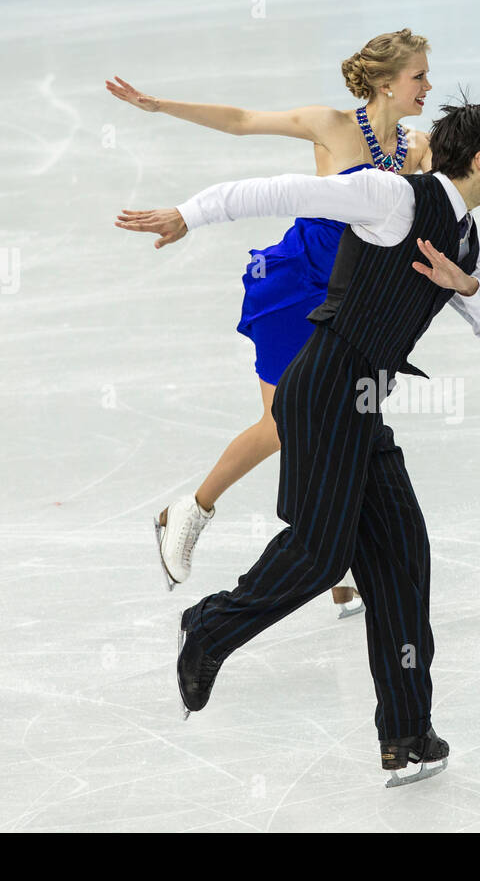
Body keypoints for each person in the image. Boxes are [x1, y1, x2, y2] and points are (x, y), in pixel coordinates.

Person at [115, 98, 480, 786]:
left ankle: (407, 734)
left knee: (401, 558)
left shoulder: (464, 244)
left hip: (363, 404)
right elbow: (274, 191)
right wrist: (187, 215)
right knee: (320, 554)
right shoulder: (392, 197)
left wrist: (464, 286)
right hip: (322, 388)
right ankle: (210, 628)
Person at [106, 30, 435, 616]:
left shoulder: (415, 149)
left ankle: (338, 567)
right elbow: (240, 120)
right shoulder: (331, 126)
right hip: (293, 288)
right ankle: (192, 510)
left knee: (348, 420)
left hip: (349, 301)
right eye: (419, 77)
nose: (427, 86)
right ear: (388, 83)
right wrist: (159, 106)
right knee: (287, 421)